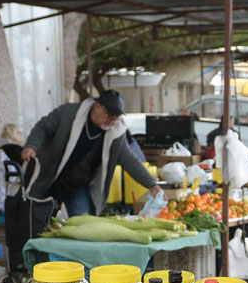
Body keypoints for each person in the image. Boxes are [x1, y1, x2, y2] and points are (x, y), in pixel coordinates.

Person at [20, 90, 161, 216]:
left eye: (115, 118)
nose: (112, 122)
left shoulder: (116, 132)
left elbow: (129, 160)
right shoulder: (69, 113)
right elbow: (43, 127)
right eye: (109, 116)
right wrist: (31, 146)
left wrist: (152, 184)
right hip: (49, 175)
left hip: (77, 184)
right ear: (97, 107)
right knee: (34, 218)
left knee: (84, 225)